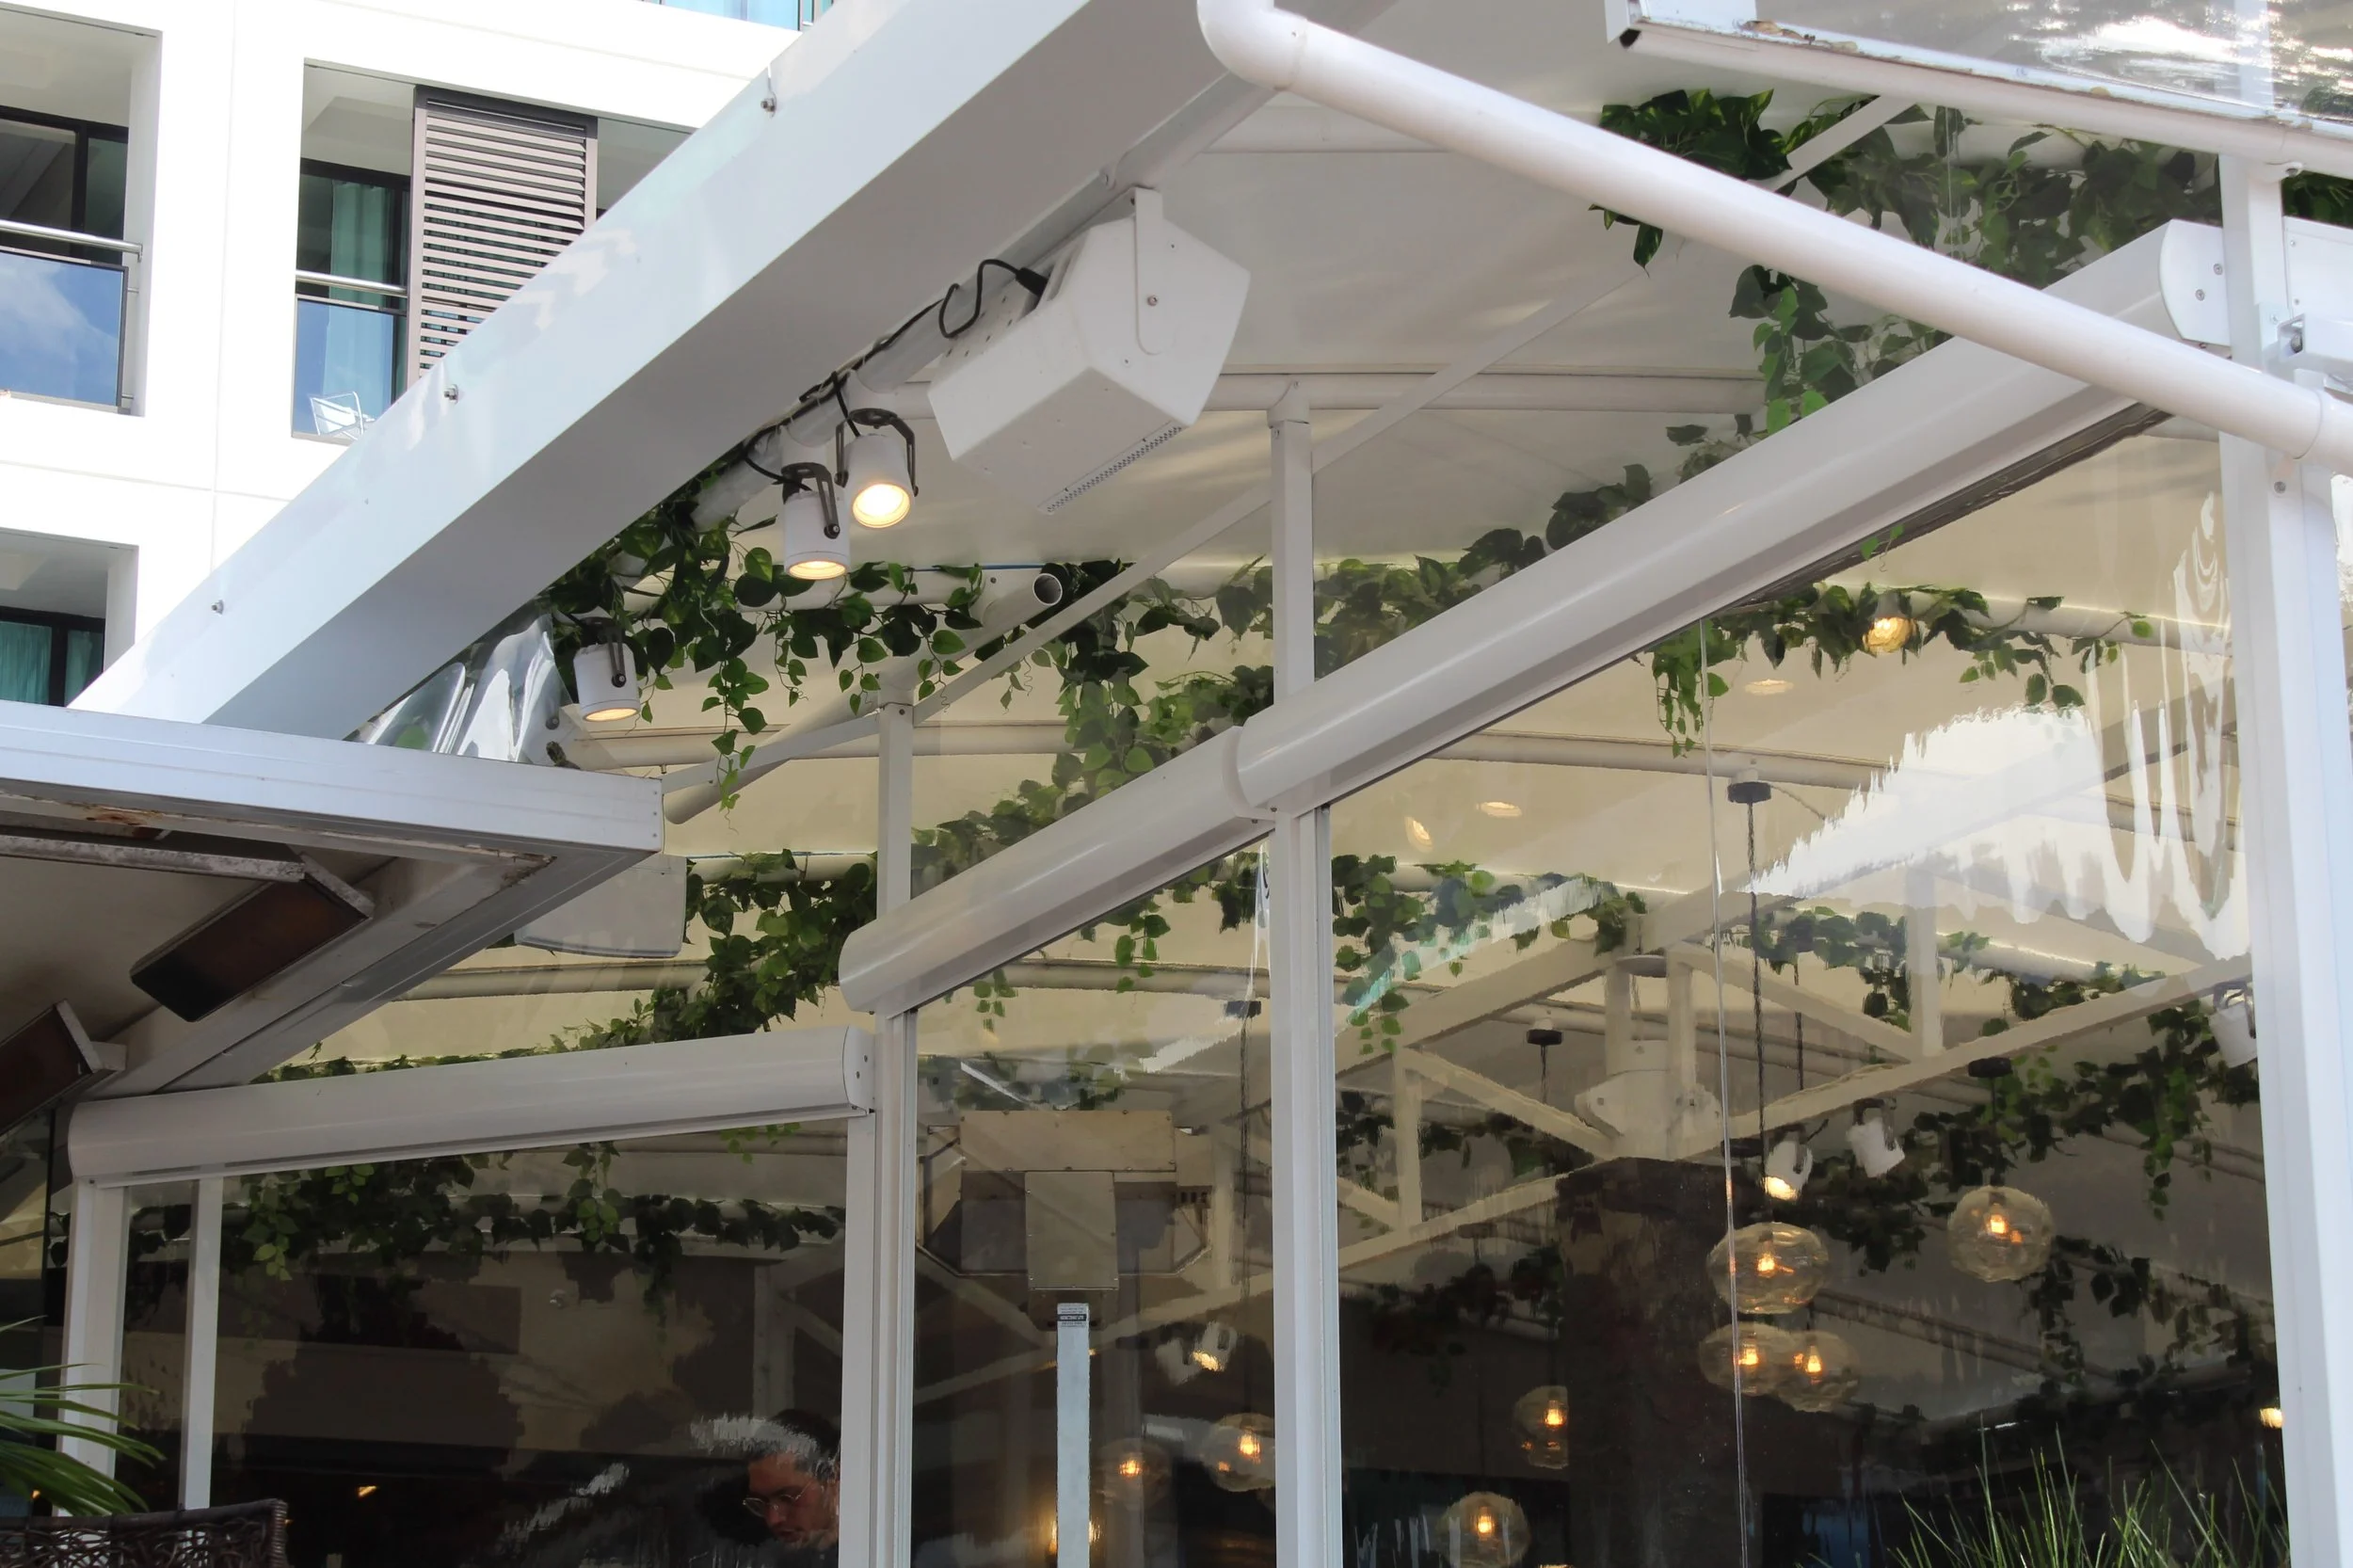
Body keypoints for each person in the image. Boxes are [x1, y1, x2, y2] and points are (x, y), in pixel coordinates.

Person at [739, 1409, 840, 1562]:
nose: (772, 1519)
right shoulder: (762, 1554)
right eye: (760, 1503)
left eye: (787, 1498)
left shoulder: (869, 1550)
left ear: (833, 1477)